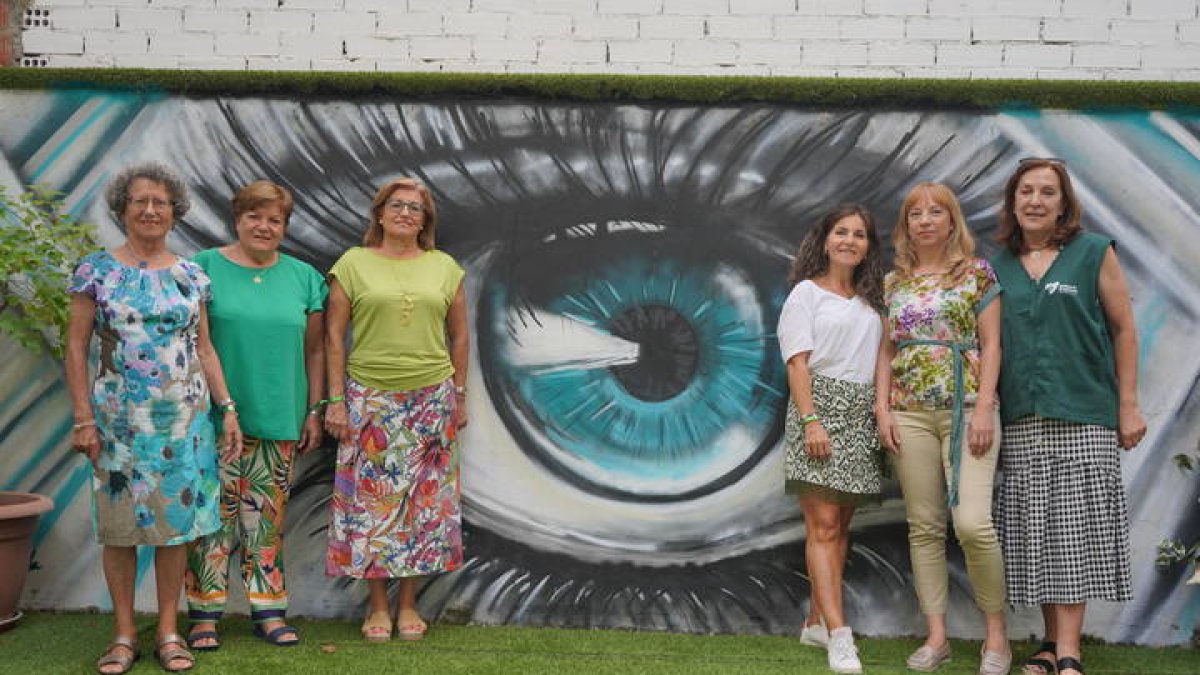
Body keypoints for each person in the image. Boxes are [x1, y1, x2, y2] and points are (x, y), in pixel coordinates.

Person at [65, 163, 242, 674]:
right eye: (139, 201)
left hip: (185, 423)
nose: (149, 210)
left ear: (173, 212)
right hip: (118, 423)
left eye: (160, 202)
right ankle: (123, 633)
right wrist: (83, 418)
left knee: (176, 527)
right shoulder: (94, 271)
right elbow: (75, 346)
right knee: (118, 527)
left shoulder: (192, 276)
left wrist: (226, 409)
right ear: (122, 209)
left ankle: (167, 630)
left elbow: (205, 350)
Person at [990, 159, 1145, 675]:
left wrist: (1128, 405)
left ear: (1064, 202)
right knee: (1037, 531)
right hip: (1022, 415)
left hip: (1083, 411)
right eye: (1026, 191)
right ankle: (1050, 645)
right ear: (1013, 201)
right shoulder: (997, 266)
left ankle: (1070, 652)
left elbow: (1124, 329)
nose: (1036, 200)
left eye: (1047, 192)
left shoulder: (1093, 253)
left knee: (1073, 530)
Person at [324, 177, 469, 642]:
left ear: (425, 221)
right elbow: (332, 337)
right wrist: (336, 402)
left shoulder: (444, 267)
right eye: (398, 205)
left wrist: (459, 396)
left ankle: (409, 604)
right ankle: (378, 607)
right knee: (371, 505)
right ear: (380, 213)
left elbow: (460, 337)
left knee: (424, 507)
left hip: (431, 399)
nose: (406, 213)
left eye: (416, 208)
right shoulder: (353, 264)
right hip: (370, 397)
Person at [184, 181, 327, 650]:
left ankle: (268, 609)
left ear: (284, 226)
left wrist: (314, 409)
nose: (264, 227)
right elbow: (195, 343)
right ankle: (205, 612)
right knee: (213, 517)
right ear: (238, 219)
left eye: (275, 220)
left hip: (280, 412)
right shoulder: (202, 268)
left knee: (266, 517)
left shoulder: (305, 277)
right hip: (214, 418)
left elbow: (315, 351)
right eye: (255, 217)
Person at [874, 183, 1010, 674]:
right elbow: (888, 351)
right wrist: (883, 410)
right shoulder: (895, 282)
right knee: (924, 527)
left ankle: (997, 637)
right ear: (906, 225)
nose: (926, 219)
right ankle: (938, 637)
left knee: (972, 523)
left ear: (952, 221)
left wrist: (983, 407)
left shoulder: (976, 274)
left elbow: (992, 345)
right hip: (908, 413)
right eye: (915, 213)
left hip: (967, 407)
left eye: (937, 211)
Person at [778, 205, 886, 674]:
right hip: (818, 408)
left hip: (860, 413)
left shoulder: (872, 300)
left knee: (839, 528)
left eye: (858, 234)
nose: (849, 240)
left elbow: (882, 357)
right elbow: (796, 362)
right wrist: (811, 421)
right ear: (825, 241)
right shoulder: (806, 294)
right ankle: (841, 639)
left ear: (868, 246)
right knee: (822, 527)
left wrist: (879, 410)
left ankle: (817, 621)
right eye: (841, 232)